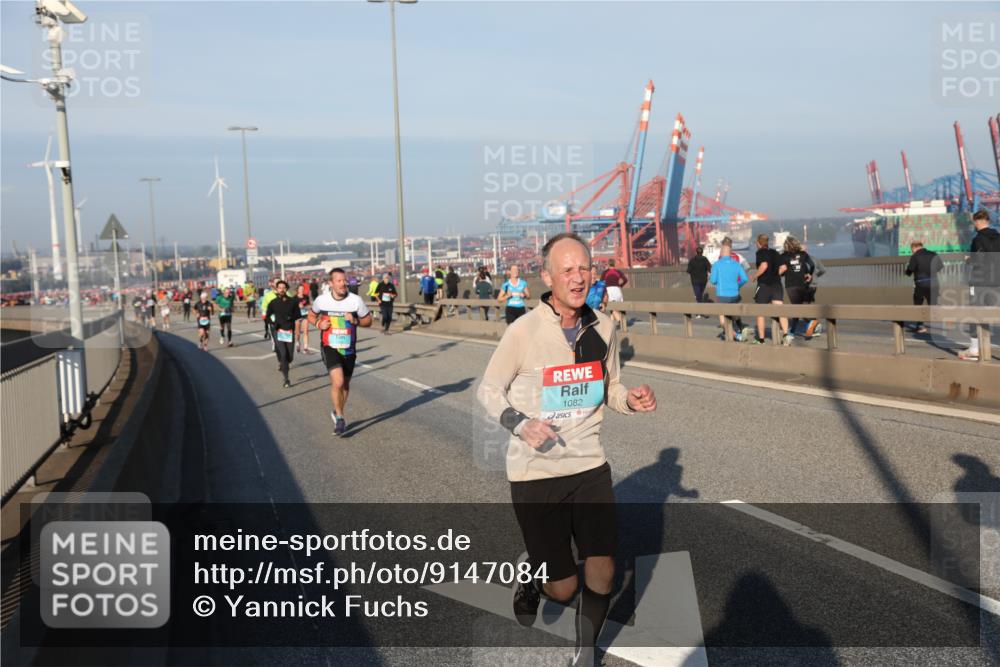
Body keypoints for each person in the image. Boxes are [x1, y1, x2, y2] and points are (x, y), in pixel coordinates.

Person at [477, 232, 657, 667]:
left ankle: (586, 652)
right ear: (548, 276)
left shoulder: (604, 327)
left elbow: (610, 387)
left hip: (589, 464)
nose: (578, 278)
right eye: (567, 270)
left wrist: (628, 401)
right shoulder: (524, 331)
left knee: (603, 567)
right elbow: (488, 390)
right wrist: (519, 424)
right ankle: (533, 578)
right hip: (535, 472)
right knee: (563, 587)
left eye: (584, 269)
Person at [308, 268, 373, 436]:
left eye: (345, 280)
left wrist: (356, 320)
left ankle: (337, 412)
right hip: (329, 346)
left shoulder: (355, 301)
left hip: (349, 349)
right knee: (338, 381)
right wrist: (318, 325)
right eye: (339, 281)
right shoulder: (322, 300)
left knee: (345, 385)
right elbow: (311, 315)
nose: (343, 284)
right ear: (331, 283)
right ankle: (341, 418)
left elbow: (369, 321)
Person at [960, 209, 1000, 361]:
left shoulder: (977, 239)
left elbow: (978, 261)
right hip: (997, 282)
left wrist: (969, 259)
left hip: (980, 283)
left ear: (977, 222)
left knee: (974, 313)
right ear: (988, 220)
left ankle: (975, 349)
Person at [709, 237, 752, 341]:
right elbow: (745, 278)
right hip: (735, 294)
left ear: (721, 253)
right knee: (733, 314)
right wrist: (737, 285)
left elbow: (713, 280)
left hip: (722, 294)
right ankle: (738, 329)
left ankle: (737, 335)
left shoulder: (717, 264)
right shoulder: (736, 264)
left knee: (723, 320)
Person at [752, 233, 790, 345]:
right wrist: (775, 274)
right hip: (776, 285)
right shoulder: (775, 252)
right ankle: (786, 335)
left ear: (758, 243)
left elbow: (764, 266)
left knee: (760, 312)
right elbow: (784, 267)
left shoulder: (760, 253)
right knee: (780, 310)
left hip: (764, 286)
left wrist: (755, 275)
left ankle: (761, 339)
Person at [777, 236, 815, 341]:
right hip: (803, 283)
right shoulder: (803, 254)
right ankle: (793, 330)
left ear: (786, 245)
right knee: (799, 307)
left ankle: (810, 321)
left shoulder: (783, 256)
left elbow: (780, 270)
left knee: (796, 308)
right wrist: (809, 274)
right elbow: (811, 265)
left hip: (791, 285)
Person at [266, 280, 301, 388]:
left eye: (283, 288)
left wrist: (290, 318)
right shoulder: (273, 302)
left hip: (289, 331)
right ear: (277, 289)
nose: (282, 289)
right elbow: (267, 316)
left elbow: (298, 314)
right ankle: (286, 379)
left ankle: (284, 362)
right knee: (284, 355)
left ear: (286, 289)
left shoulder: (293, 302)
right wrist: (273, 323)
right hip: (278, 331)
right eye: (279, 287)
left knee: (290, 356)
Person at [904, 240, 943, 334]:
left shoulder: (915, 256)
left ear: (914, 247)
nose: (912, 251)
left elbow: (910, 269)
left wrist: (906, 272)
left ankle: (921, 326)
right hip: (934, 283)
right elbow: (940, 267)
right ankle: (942, 323)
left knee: (918, 305)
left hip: (920, 284)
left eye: (911, 250)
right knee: (933, 304)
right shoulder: (933, 254)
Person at [600, 259, 628, 323]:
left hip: (609, 291)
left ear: (608, 264)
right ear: (614, 264)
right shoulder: (618, 271)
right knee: (614, 309)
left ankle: (620, 321)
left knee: (611, 307)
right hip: (617, 290)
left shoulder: (605, 272)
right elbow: (625, 280)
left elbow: (601, 283)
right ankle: (612, 326)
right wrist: (620, 286)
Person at [295, 284, 313, 353]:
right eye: (300, 289)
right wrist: (298, 307)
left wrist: (304, 307)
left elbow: (309, 306)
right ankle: (298, 343)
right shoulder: (294, 298)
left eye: (302, 289)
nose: (302, 290)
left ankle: (306, 348)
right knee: (298, 333)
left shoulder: (306, 297)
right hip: (297, 317)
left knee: (306, 331)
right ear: (297, 290)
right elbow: (292, 308)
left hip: (305, 316)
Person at [259, 280, 278, 345]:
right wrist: (264, 312)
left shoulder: (284, 293)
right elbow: (262, 305)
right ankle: (268, 333)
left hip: (280, 316)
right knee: (267, 324)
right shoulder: (265, 296)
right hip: (268, 314)